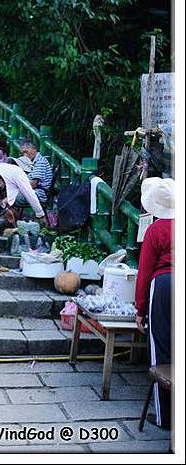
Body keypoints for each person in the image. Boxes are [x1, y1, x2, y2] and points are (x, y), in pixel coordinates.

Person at [135, 177, 174, 430]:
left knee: (160, 349)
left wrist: (140, 310)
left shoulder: (155, 230)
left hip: (163, 285)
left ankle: (164, 417)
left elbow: (144, 271)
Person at [0, 156, 48, 271]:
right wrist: (40, 214)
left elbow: (1, 192)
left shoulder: (2, 167)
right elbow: (31, 195)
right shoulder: (19, 172)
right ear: (24, 169)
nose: (26, 176)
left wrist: (5, 210)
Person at [17, 139, 53, 205]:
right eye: (22, 153)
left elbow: (33, 184)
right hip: (31, 191)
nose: (24, 155)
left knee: (11, 197)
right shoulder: (31, 162)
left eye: (26, 152)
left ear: (34, 150)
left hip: (38, 193)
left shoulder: (40, 162)